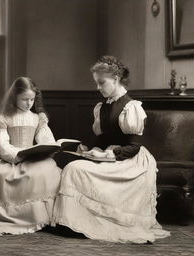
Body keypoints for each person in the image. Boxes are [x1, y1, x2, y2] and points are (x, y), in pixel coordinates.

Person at [52, 56, 170, 243]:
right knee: (71, 164)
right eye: (97, 83)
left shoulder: (131, 107)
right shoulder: (103, 106)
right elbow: (103, 136)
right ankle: (73, 222)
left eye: (101, 83)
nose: (98, 88)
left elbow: (133, 147)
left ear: (115, 79)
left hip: (131, 160)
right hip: (109, 154)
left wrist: (107, 153)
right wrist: (87, 149)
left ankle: (87, 223)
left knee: (75, 169)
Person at [0, 77, 62, 236]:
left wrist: (46, 147)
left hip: (32, 156)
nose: (29, 103)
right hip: (11, 158)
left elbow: (45, 137)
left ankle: (43, 216)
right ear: (14, 98)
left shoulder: (37, 118)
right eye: (25, 99)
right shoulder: (3, 119)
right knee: (11, 175)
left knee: (48, 168)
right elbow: (3, 144)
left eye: (32, 100)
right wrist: (17, 155)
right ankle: (20, 216)